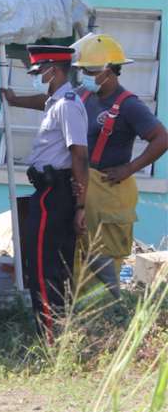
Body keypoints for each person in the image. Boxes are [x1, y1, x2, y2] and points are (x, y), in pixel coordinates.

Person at [69, 33, 168, 295]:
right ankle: (77, 314)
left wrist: (130, 168)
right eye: (84, 70)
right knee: (77, 255)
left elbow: (161, 138)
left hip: (109, 190)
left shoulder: (129, 105)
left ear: (110, 70)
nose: (86, 76)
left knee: (104, 256)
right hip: (82, 186)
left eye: (91, 71)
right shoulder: (82, 96)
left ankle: (110, 310)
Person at [1, 45, 88, 342]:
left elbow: (79, 156)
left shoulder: (67, 105)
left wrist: (81, 206)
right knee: (46, 265)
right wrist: (14, 100)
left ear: (54, 70)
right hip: (49, 190)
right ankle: (56, 337)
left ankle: (51, 340)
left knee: (44, 268)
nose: (36, 77)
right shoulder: (56, 102)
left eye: (39, 72)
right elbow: (43, 101)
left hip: (55, 193)